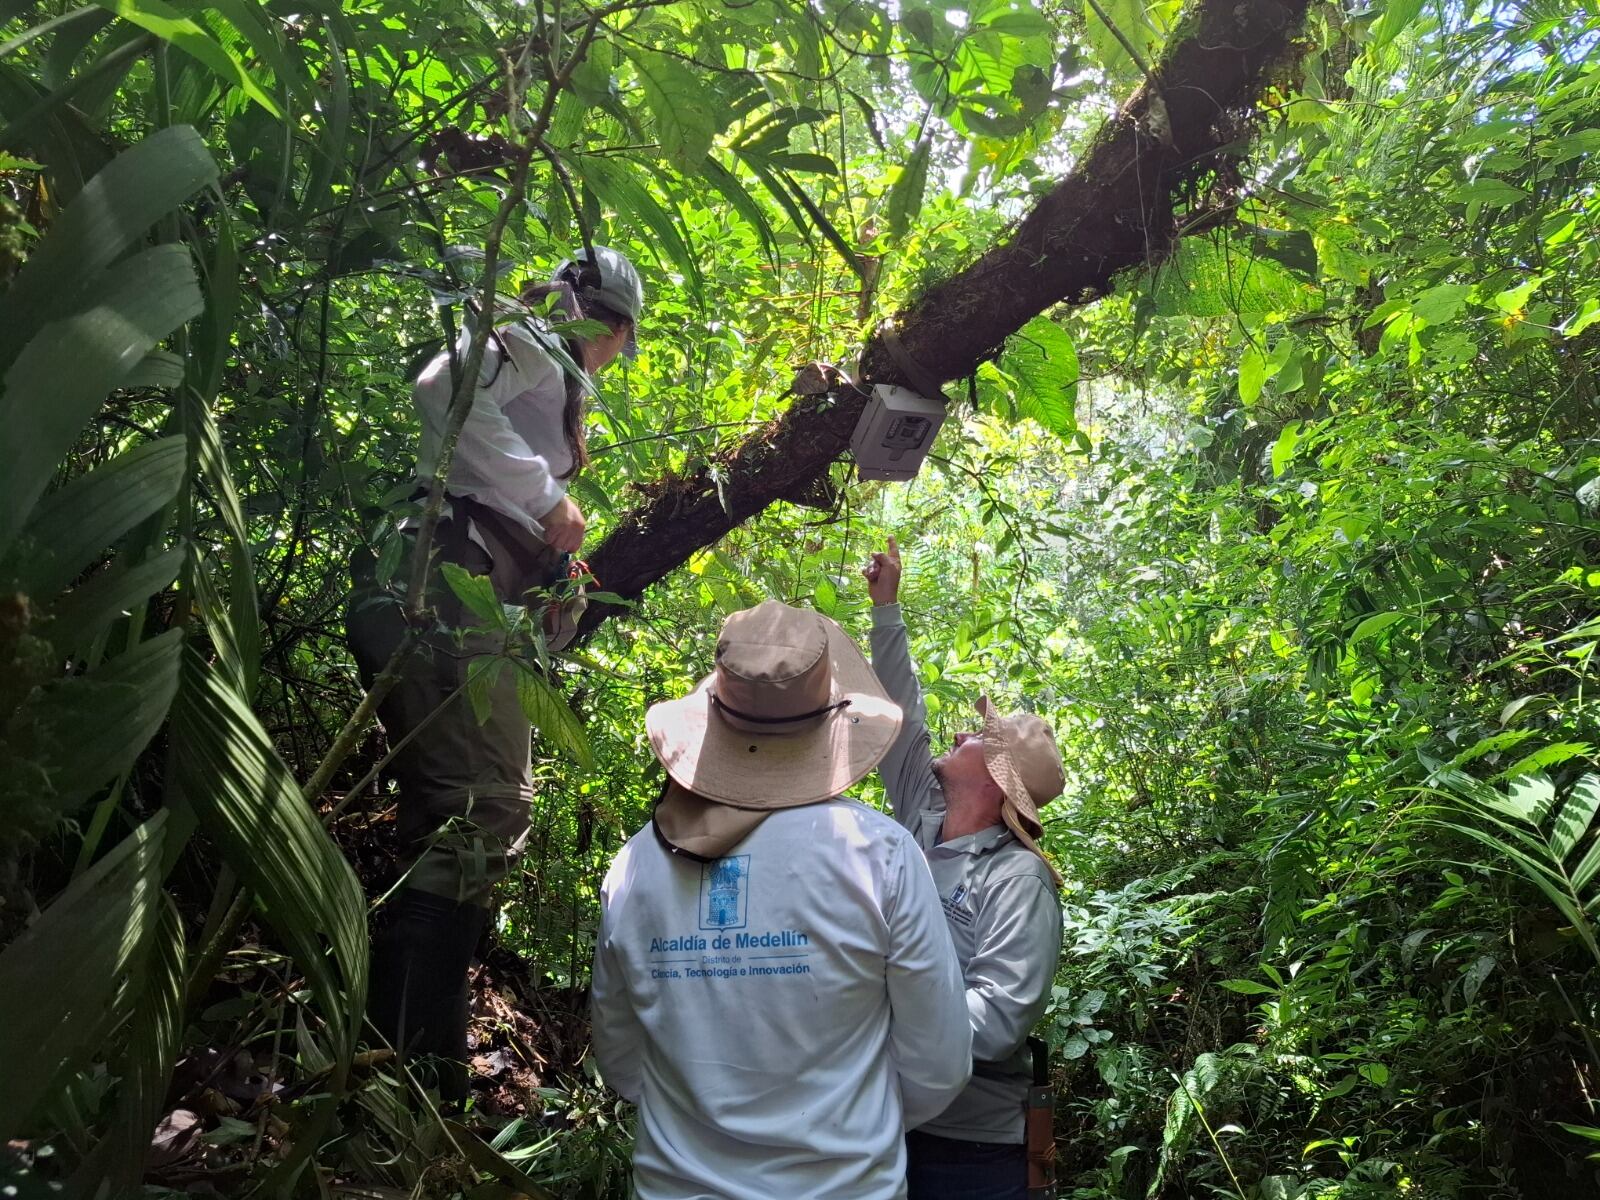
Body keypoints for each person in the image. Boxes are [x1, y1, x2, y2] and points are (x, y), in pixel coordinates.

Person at [346, 245, 644, 1098]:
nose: (616, 356)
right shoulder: (534, 337)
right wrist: (549, 502)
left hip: (441, 586)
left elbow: (492, 475)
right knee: (483, 812)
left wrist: (555, 577)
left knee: (454, 817)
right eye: (622, 340)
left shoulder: (538, 362)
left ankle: (393, 1063)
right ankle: (413, 1077)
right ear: (610, 323)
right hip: (436, 583)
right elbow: (442, 393)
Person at [590, 600, 974, 1199]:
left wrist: (708, 1125)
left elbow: (620, 1054)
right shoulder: (882, 854)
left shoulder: (636, 863)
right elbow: (939, 1061)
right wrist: (843, 1125)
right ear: (832, 718)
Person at [863, 537, 1066, 1200]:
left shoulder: (1018, 881)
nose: (958, 734)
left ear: (996, 779)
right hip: (883, 1123)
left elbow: (1000, 1017)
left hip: (970, 1149)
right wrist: (886, 609)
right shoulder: (922, 815)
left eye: (978, 737)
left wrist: (874, 1015)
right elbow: (902, 717)